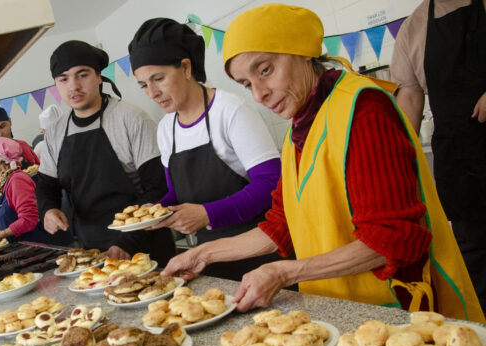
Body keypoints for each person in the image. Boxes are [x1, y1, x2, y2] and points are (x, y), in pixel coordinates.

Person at [163, 4, 484, 322]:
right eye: (246, 84)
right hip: (343, 311)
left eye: (265, 70)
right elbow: (280, 227)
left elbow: (391, 241)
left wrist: (284, 272)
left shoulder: (363, 111)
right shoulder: (297, 132)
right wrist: (201, 254)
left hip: (399, 313)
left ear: (302, 51)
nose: (259, 94)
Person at [128, 18, 284, 280]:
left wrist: (207, 214)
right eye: (144, 85)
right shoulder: (168, 127)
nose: (152, 93)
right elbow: (176, 192)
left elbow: (272, 185)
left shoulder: (231, 110)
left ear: (186, 67)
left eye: (159, 78)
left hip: (260, 254)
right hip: (208, 259)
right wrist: (149, 213)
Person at [35, 40, 176, 266]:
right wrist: (48, 209)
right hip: (92, 252)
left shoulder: (130, 118)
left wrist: (126, 242)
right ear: (56, 84)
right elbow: (46, 185)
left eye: (82, 75)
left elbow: (158, 186)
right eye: (64, 79)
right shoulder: (55, 132)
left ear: (99, 76)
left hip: (145, 248)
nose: (74, 86)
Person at [391, 0, 486, 312]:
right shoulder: (416, 26)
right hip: (463, 167)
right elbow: (409, 94)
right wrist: (397, 160)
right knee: (476, 263)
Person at [0, 137, 53, 244]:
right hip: (23, 246)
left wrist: (0, 234)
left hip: (35, 246)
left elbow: (28, 219)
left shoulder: (17, 180)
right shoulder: (7, 182)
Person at [0, 107, 40, 211]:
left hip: (38, 203)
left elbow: (39, 170)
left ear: (10, 122)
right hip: (11, 211)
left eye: (2, 126)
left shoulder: (24, 146)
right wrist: (6, 188)